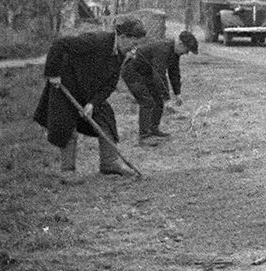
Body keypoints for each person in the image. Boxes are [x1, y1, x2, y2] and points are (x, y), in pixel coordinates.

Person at [33, 16, 147, 178]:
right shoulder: (96, 41)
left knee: (107, 118)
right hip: (66, 86)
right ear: (122, 37)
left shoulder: (121, 54)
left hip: (88, 93)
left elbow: (109, 85)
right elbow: (60, 44)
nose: (134, 49)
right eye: (133, 44)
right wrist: (53, 73)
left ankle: (109, 163)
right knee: (67, 127)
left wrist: (93, 104)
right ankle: (68, 171)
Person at [122, 30, 199, 145]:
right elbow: (159, 74)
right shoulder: (163, 49)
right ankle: (144, 136)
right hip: (132, 71)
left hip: (145, 72)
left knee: (158, 100)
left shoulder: (174, 52)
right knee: (147, 101)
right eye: (187, 50)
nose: (186, 53)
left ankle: (153, 129)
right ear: (180, 44)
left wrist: (177, 93)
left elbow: (174, 73)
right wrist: (167, 97)